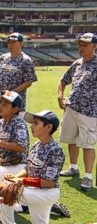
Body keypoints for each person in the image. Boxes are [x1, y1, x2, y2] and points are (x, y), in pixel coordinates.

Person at [0, 110, 97, 224]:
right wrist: (15, 177)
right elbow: (28, 169)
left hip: (46, 193)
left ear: (48, 127)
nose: (31, 126)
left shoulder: (55, 150)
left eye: (36, 123)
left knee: (6, 191)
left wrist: (19, 181)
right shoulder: (36, 145)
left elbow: (49, 183)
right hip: (33, 191)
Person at [58, 32, 97, 191]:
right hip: (71, 108)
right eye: (80, 44)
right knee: (71, 140)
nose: (81, 47)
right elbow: (63, 80)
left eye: (85, 45)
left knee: (88, 144)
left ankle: (88, 176)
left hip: (89, 112)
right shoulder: (77, 63)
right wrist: (60, 97)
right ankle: (73, 167)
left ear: (94, 46)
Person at [0, 32, 37, 150]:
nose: (11, 45)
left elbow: (29, 81)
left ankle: (10, 150)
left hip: (15, 102)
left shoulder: (26, 60)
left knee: (13, 126)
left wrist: (12, 92)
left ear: (21, 43)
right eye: (9, 42)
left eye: (14, 42)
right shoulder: (3, 58)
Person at [0, 91, 29, 184]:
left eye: (5, 104)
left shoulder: (19, 123)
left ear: (15, 109)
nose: (0, 106)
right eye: (0, 102)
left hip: (18, 164)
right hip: (2, 163)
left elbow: (21, 148)